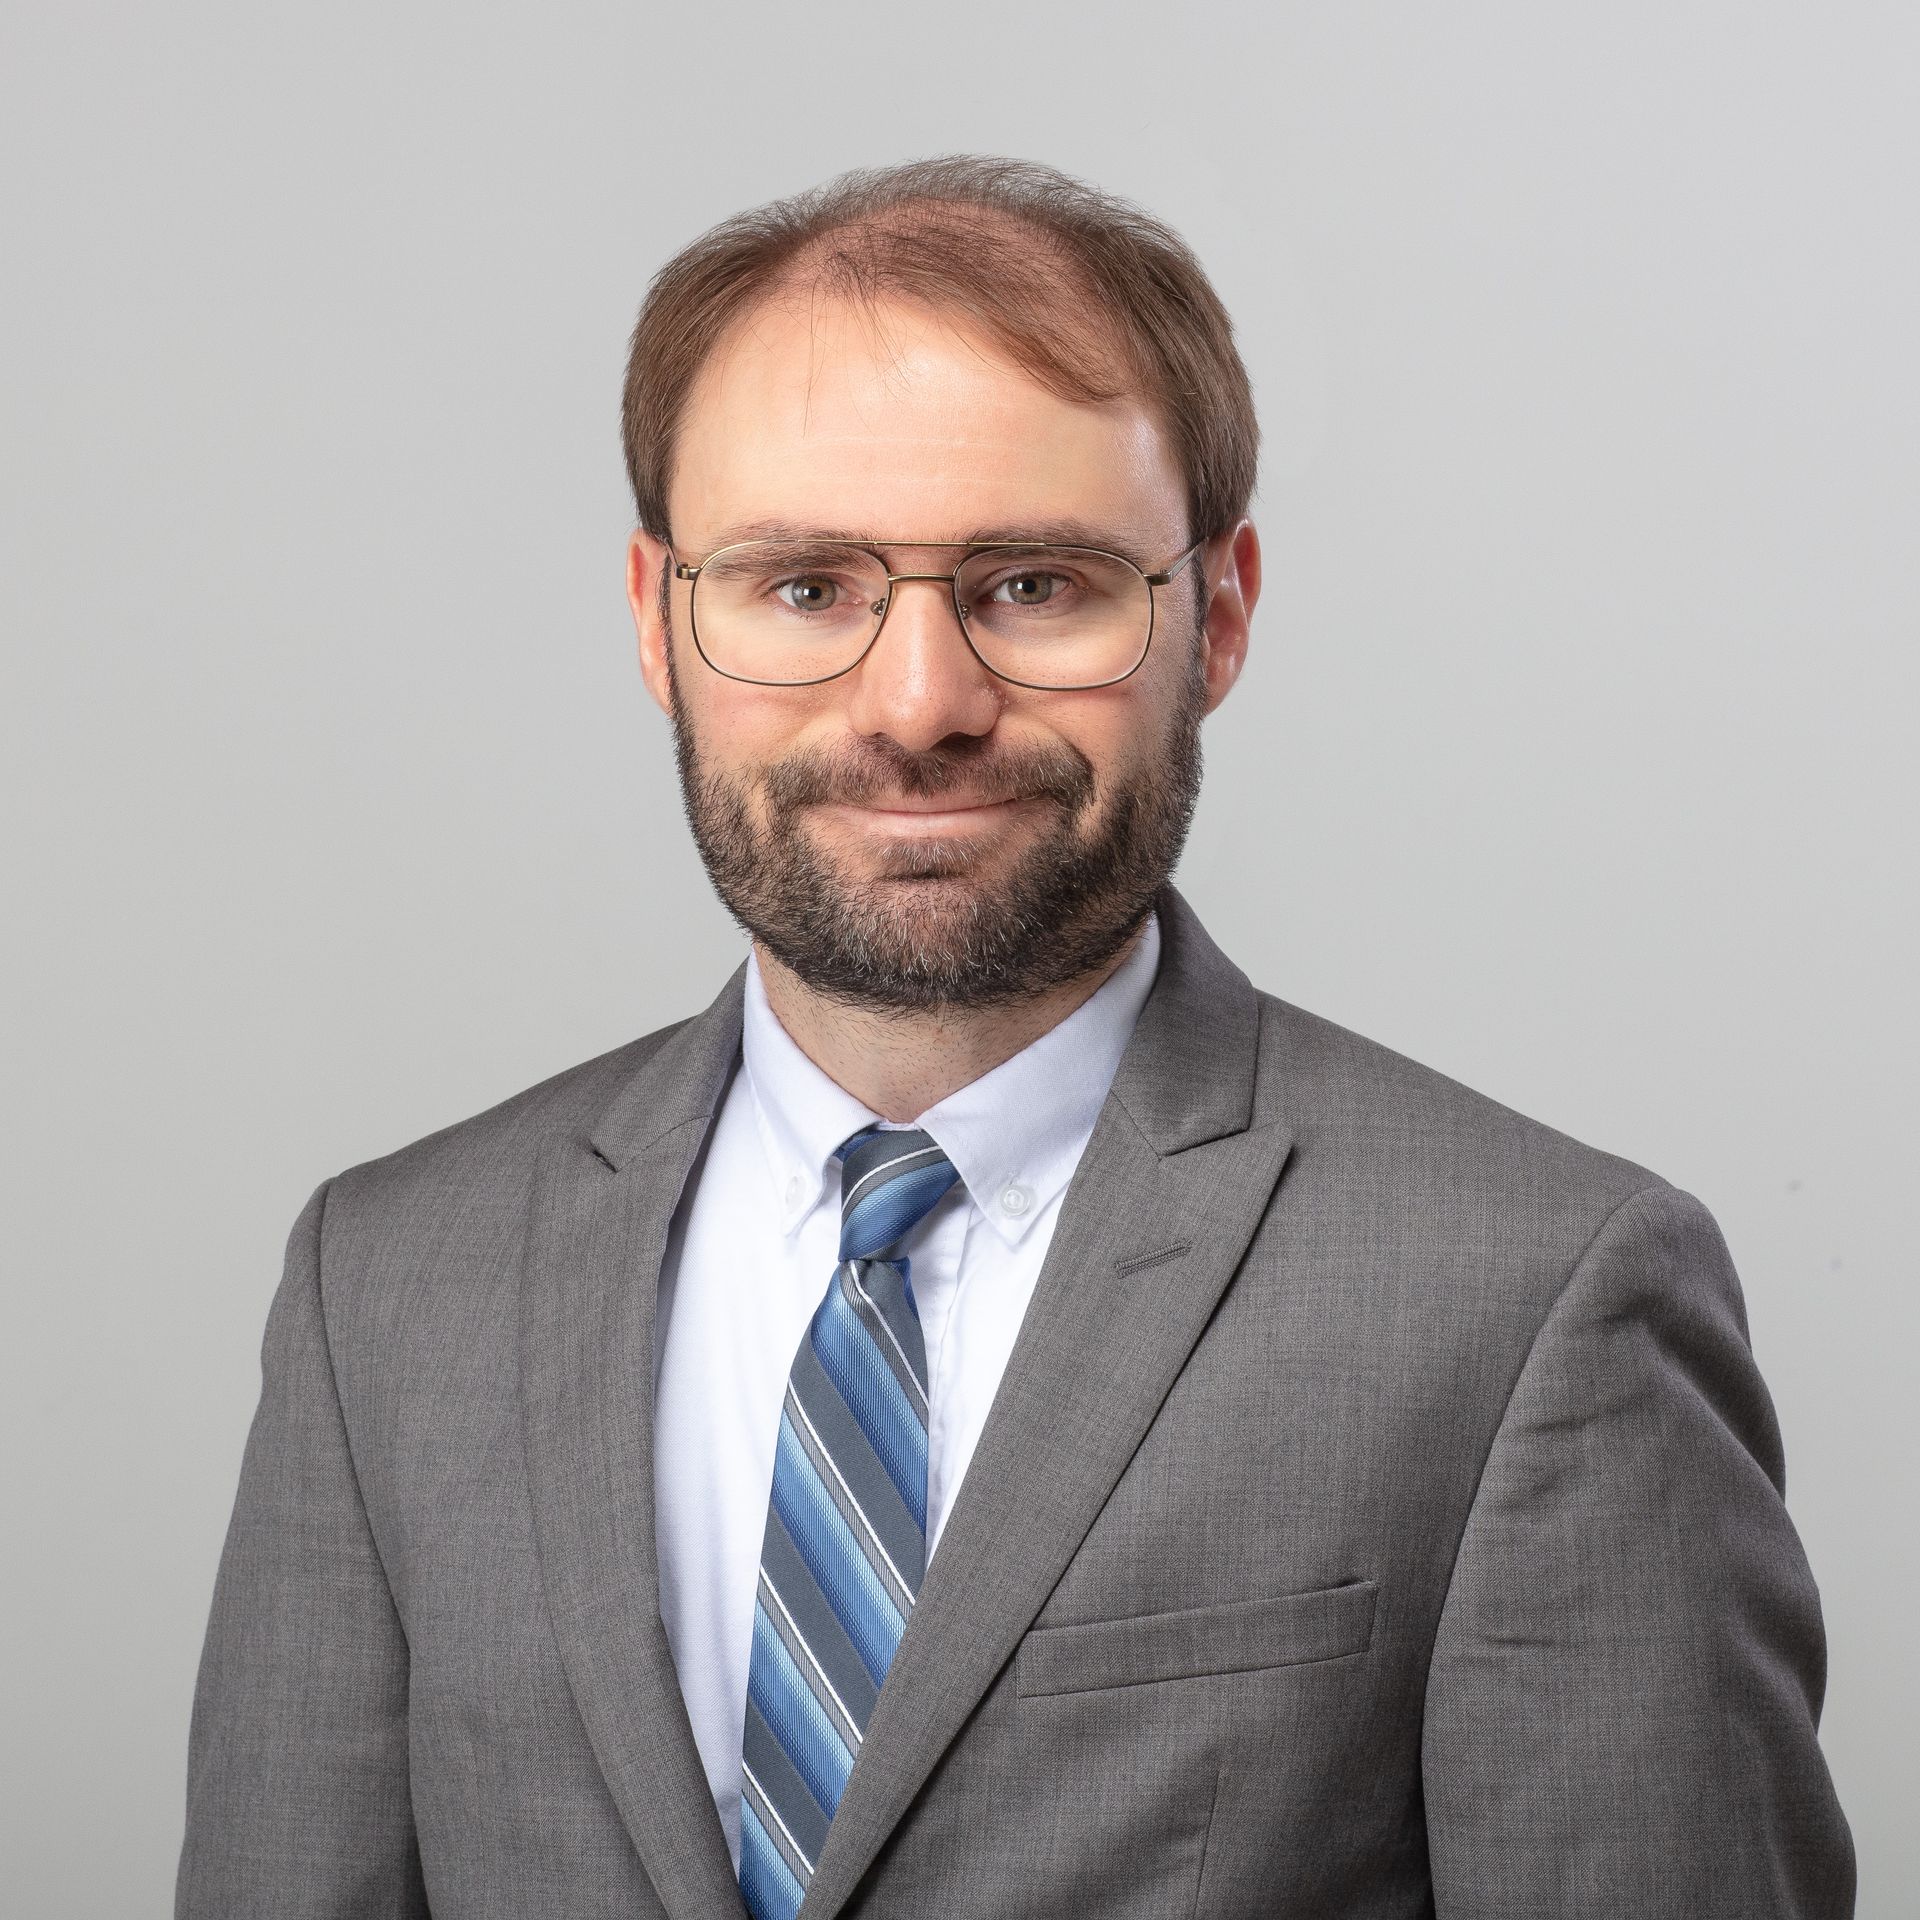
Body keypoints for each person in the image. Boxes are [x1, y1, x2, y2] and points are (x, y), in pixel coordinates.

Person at [175, 155, 1854, 1919]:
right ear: (661, 627)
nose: (919, 705)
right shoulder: (388, 1288)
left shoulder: (1534, 1298)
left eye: (1036, 585)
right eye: (804, 586)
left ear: (1215, 616)